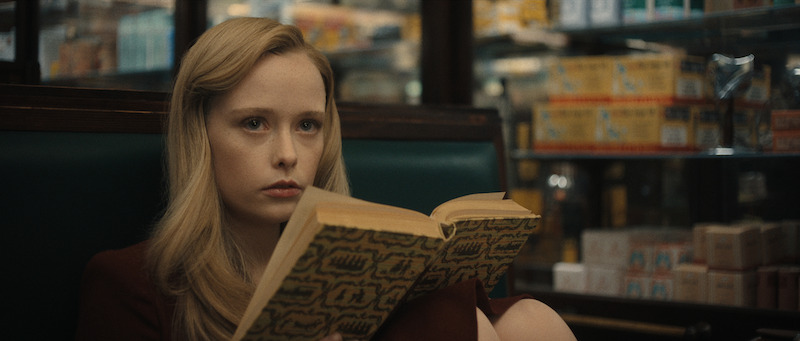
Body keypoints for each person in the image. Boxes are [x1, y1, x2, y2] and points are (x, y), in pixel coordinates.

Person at [75, 17, 576, 341]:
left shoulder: (369, 271)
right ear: (199, 133)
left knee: (532, 320)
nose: (288, 155)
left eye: (307, 126)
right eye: (254, 123)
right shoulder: (129, 285)